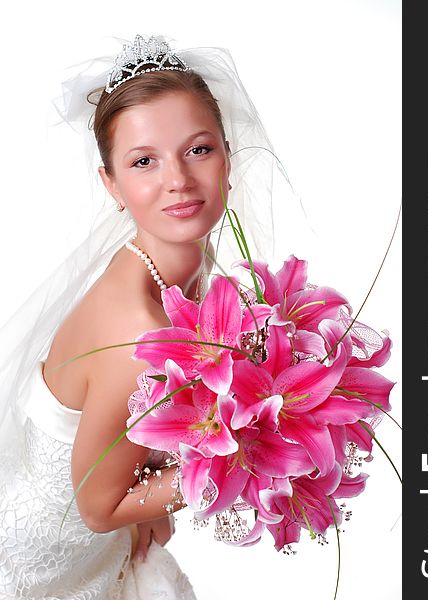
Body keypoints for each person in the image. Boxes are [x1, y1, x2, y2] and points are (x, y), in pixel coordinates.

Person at [0, 34, 308, 598]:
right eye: (144, 161)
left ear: (227, 156)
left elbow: (130, 437)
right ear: (112, 186)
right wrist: (243, 458)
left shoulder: (177, 278)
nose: (178, 180)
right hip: (40, 568)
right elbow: (98, 506)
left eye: (198, 149)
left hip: (95, 545)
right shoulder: (139, 330)